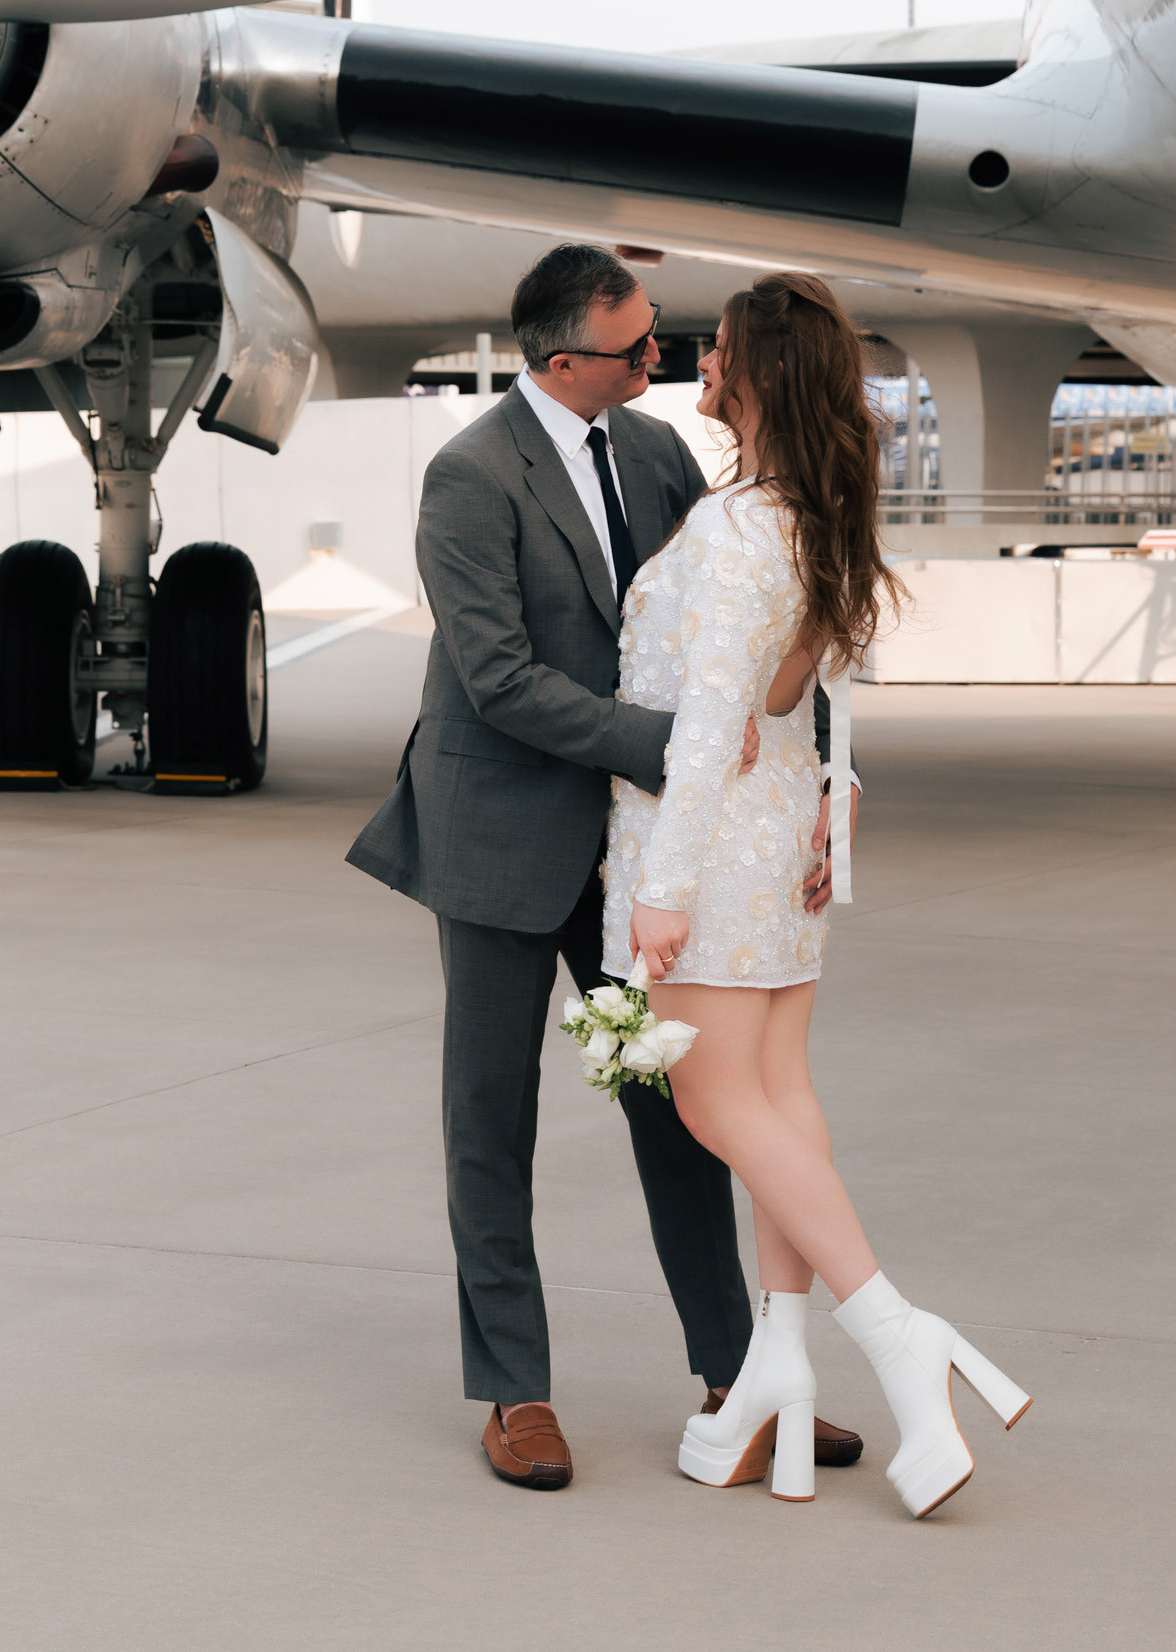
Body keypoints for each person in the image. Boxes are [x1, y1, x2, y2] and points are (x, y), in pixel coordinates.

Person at [347, 242, 861, 1491]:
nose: (662, 359)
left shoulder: (659, 454)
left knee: (674, 1103)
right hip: (502, 833)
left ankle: (737, 1376)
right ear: (563, 355)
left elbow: (764, 626)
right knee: (493, 1115)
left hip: (640, 848)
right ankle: (514, 1390)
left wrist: (815, 791)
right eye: (638, 346)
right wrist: (681, 748)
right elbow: (499, 677)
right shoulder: (467, 477)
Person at [607, 271, 1032, 1516]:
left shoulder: (743, 528)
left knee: (712, 1101)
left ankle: (898, 1332)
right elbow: (790, 706)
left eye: (719, 349)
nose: (700, 363)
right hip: (777, 843)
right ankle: (776, 1368)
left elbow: (704, 729)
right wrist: (817, 837)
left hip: (715, 852)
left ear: (758, 376)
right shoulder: (814, 517)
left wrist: (660, 887)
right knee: (780, 1099)